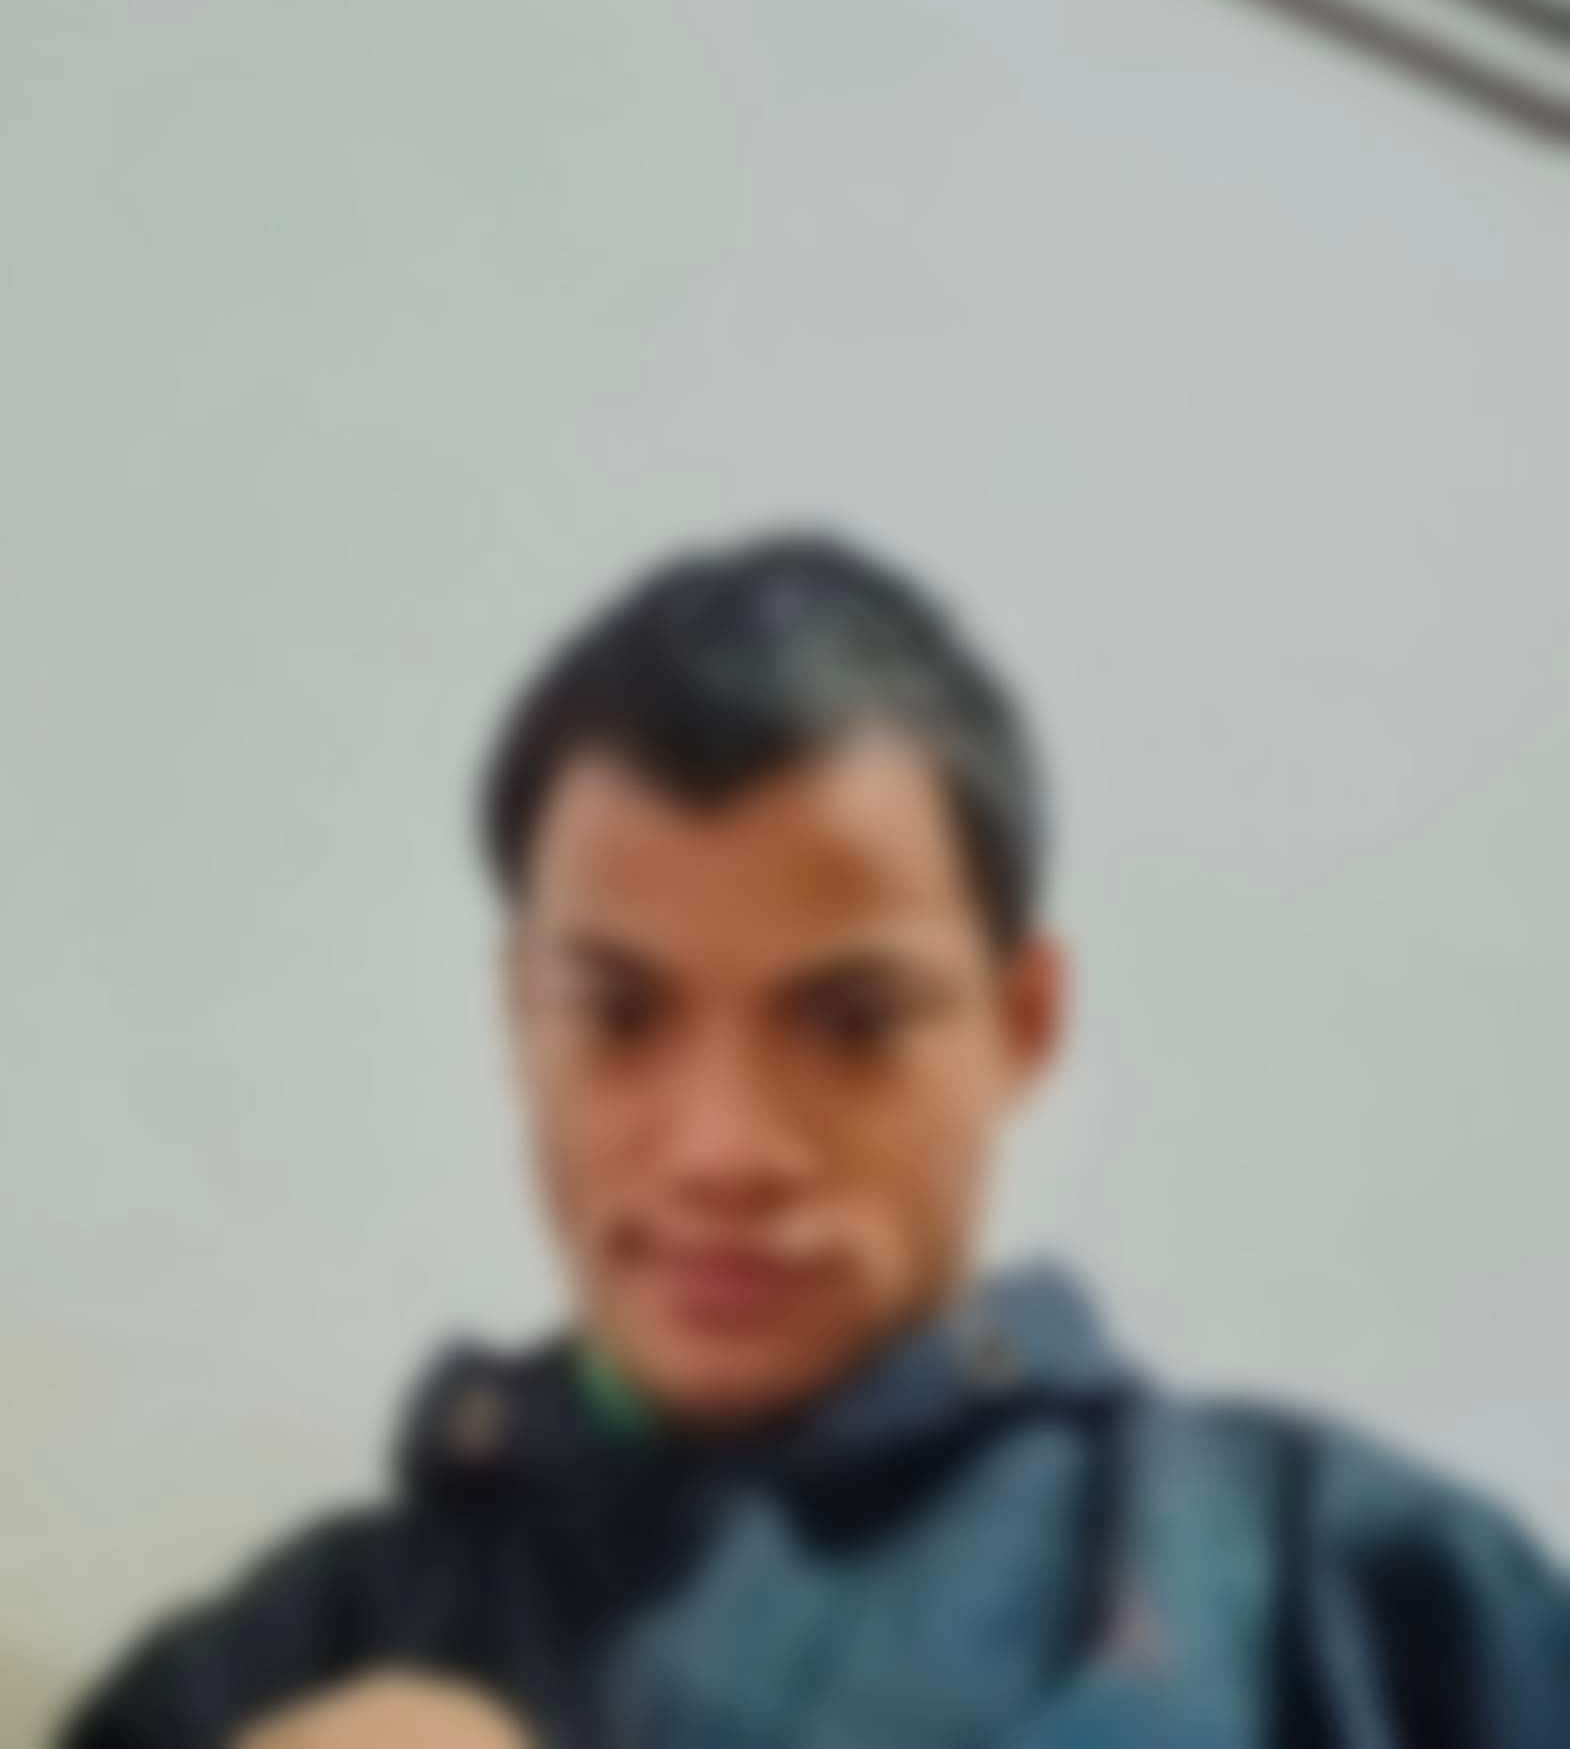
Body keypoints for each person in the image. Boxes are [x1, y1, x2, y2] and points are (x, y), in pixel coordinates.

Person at [64, 532, 1569, 1748]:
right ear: (520, 1010)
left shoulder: (1359, 1602)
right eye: (618, 1012)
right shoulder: (271, 1668)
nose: (721, 1148)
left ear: (1023, 1020)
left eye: (851, 1022)